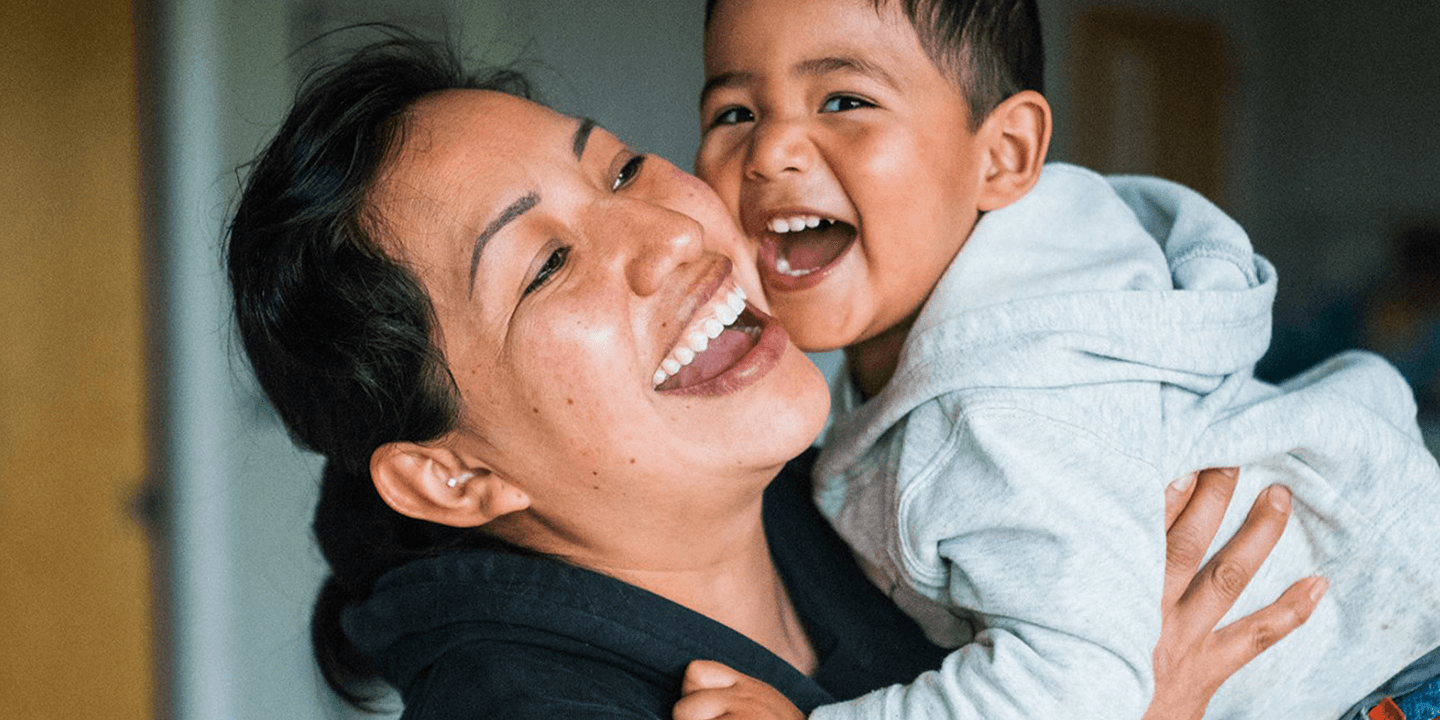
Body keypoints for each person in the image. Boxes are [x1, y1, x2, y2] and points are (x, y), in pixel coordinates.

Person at [226, 37, 1321, 720]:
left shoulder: (869, 486)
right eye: (547, 264)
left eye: (620, 169)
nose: (673, 233)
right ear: (454, 478)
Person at [691, 0, 1440, 718]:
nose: (769, 152)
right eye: (735, 113)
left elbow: (1077, 694)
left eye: (844, 101)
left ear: (1005, 154)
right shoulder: (925, 360)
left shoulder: (1011, 405)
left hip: (1393, 685)